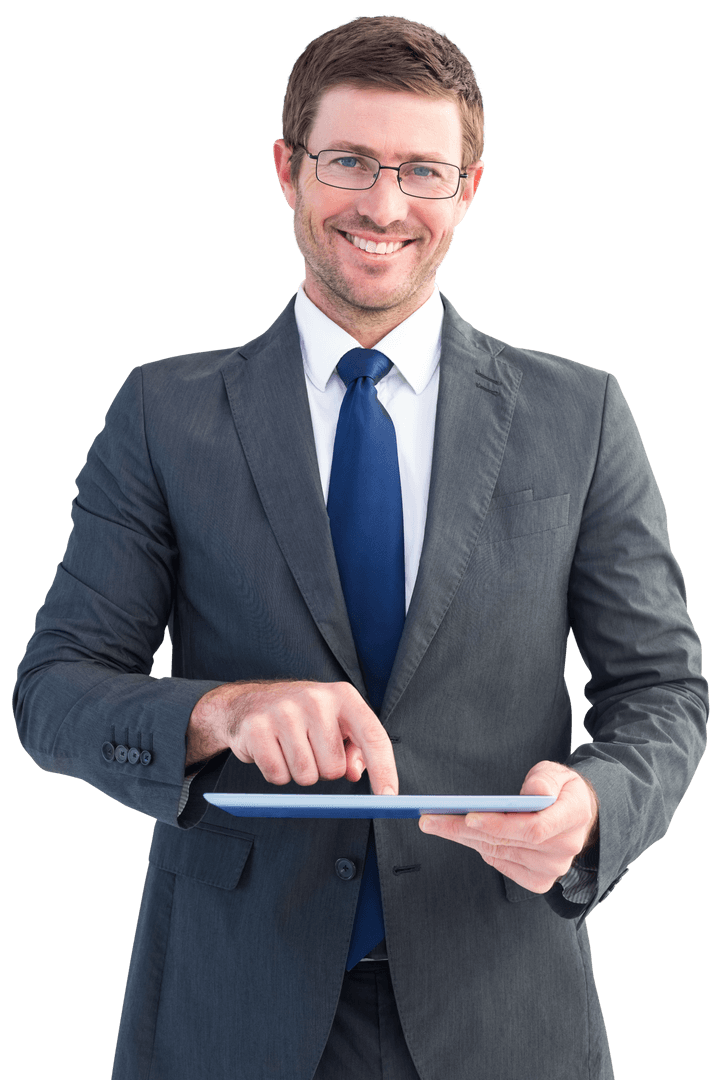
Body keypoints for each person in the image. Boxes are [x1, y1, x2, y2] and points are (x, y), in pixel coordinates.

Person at [13, 15, 707, 1080]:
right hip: (229, 1011)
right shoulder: (164, 415)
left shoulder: (583, 414)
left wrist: (596, 807)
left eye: (423, 171)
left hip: (503, 1006)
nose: (384, 206)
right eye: (350, 162)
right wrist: (222, 710)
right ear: (288, 170)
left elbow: (664, 690)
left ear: (468, 188)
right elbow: (52, 692)